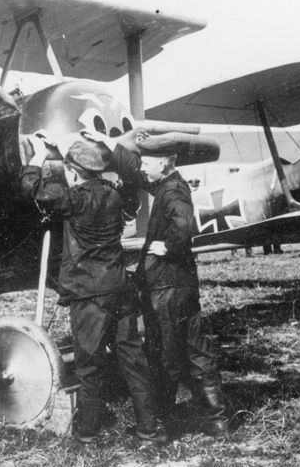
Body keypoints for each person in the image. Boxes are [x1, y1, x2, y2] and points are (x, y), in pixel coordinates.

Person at [21, 134, 167, 445]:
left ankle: (86, 432)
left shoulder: (75, 200)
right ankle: (149, 427)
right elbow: (103, 179)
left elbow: (33, 188)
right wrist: (70, 150)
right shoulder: (114, 196)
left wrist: (36, 158)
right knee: (132, 357)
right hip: (119, 287)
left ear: (73, 172)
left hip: (89, 293)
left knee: (89, 364)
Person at [99, 130, 229, 436]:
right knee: (194, 348)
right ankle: (218, 421)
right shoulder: (170, 183)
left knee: (164, 354)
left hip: (165, 289)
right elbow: (137, 172)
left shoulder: (172, 193)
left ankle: (160, 423)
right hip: (181, 285)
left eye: (147, 162)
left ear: (164, 163)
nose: (142, 168)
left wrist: (169, 246)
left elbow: (183, 225)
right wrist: (108, 144)